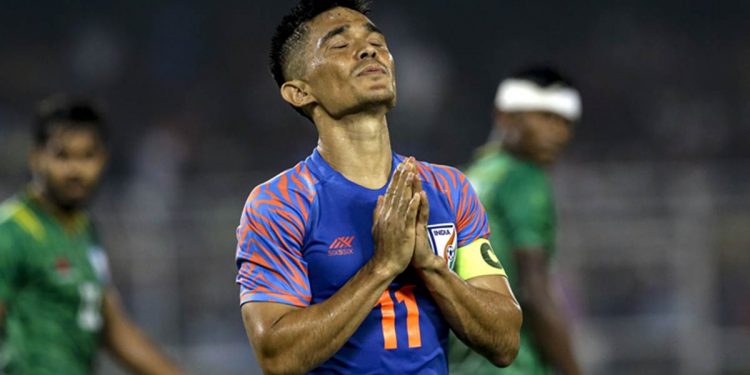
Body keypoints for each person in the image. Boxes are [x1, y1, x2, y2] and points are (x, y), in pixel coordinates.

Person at [235, 0, 522, 374]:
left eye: (378, 42)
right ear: (299, 92)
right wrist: (382, 267)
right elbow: (276, 356)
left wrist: (430, 267)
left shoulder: (449, 189)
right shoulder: (279, 204)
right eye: (339, 45)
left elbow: (505, 340)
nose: (370, 50)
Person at [0, 96, 186, 375]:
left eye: (87, 156)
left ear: (103, 159)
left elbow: (114, 330)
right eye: (62, 156)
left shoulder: (84, 231)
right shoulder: (11, 233)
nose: (76, 170)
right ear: (36, 157)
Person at [450, 67, 582, 375]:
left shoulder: (473, 176)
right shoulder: (523, 177)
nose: (558, 132)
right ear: (505, 116)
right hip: (513, 365)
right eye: (545, 117)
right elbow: (534, 291)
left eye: (565, 122)